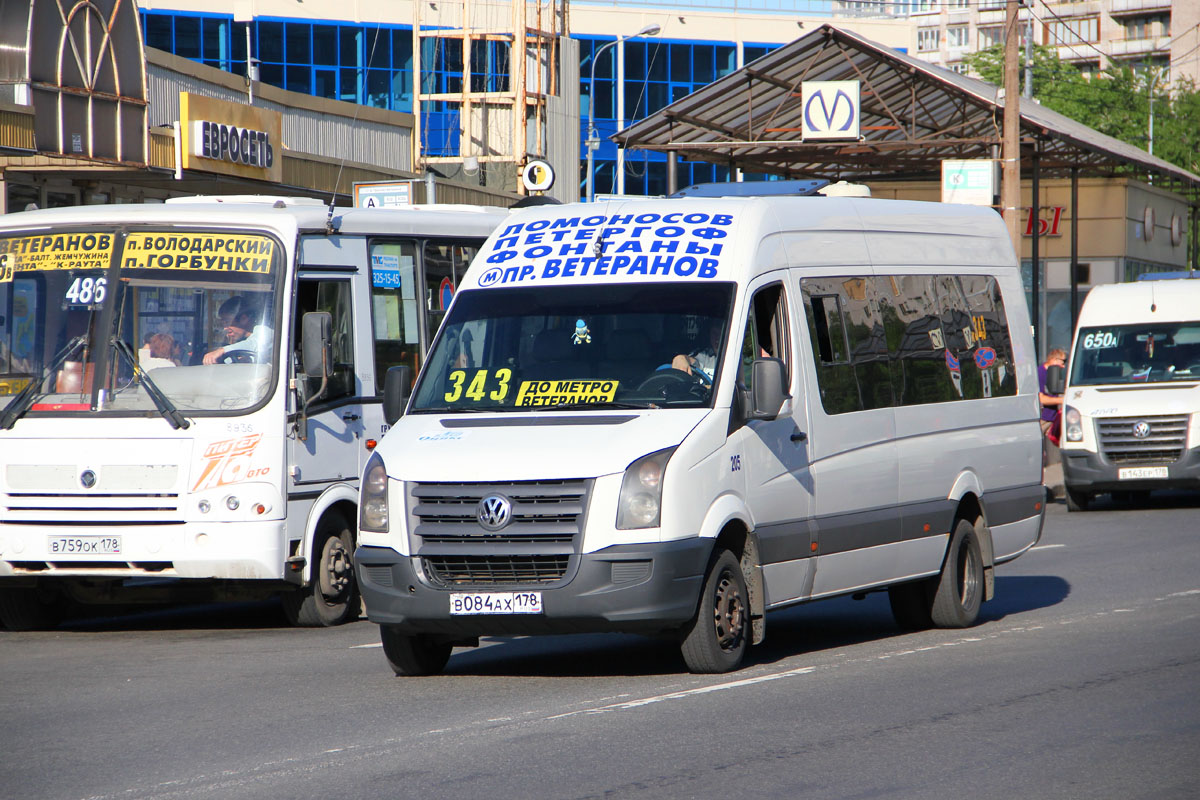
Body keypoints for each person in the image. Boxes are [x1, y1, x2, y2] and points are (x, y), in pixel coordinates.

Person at [204, 295, 273, 365]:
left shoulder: (265, 331)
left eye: (227, 322)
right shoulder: (242, 341)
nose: (225, 328)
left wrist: (221, 351)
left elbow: (255, 344)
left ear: (244, 319)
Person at [1038, 348, 1066, 439]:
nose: (1064, 366)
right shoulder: (1040, 373)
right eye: (1063, 362)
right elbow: (1041, 399)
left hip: (1053, 418)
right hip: (1043, 419)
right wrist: (1063, 400)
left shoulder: (1055, 374)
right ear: (1054, 360)